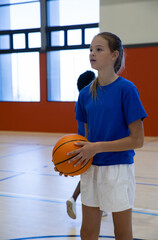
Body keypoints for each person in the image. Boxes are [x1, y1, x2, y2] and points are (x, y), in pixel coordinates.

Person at [56, 32, 147, 240]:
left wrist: (96, 148)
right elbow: (83, 141)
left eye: (99, 49)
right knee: (87, 232)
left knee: (122, 233)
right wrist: (67, 161)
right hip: (91, 169)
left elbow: (137, 140)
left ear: (114, 55)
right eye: (90, 49)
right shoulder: (85, 94)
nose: (92, 53)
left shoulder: (127, 90)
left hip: (118, 169)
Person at [66, 71, 108, 219]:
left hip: (79, 141)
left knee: (88, 175)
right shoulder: (92, 102)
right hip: (90, 143)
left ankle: (73, 198)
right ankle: (99, 206)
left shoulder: (80, 101)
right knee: (97, 175)